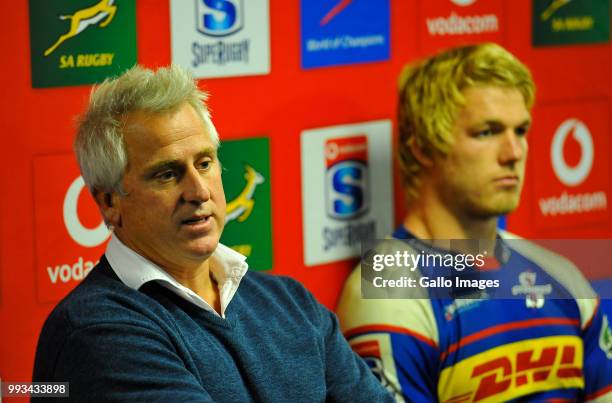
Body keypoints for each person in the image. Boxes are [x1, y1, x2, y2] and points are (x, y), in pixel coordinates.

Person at [32, 64, 393, 402]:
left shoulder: (289, 302)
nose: (199, 191)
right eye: (167, 174)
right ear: (110, 202)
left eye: (204, 163)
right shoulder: (95, 332)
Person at [337, 43, 612, 402]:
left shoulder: (561, 275)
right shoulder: (389, 292)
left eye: (521, 131)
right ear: (421, 146)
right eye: (487, 132)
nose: (514, 153)